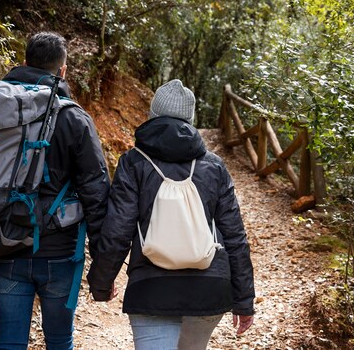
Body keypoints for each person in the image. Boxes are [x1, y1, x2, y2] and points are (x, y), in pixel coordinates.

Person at [87, 79, 255, 350]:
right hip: (209, 287)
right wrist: (244, 299)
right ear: (191, 119)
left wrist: (101, 283)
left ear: (153, 115)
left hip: (151, 287)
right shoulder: (214, 166)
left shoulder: (134, 163)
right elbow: (235, 235)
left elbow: (117, 230)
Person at [0, 32, 110, 350]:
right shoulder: (74, 118)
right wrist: (103, 262)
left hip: (2, 241)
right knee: (58, 341)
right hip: (59, 250)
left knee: (8, 344)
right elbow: (96, 192)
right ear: (63, 71)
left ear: (24, 63)